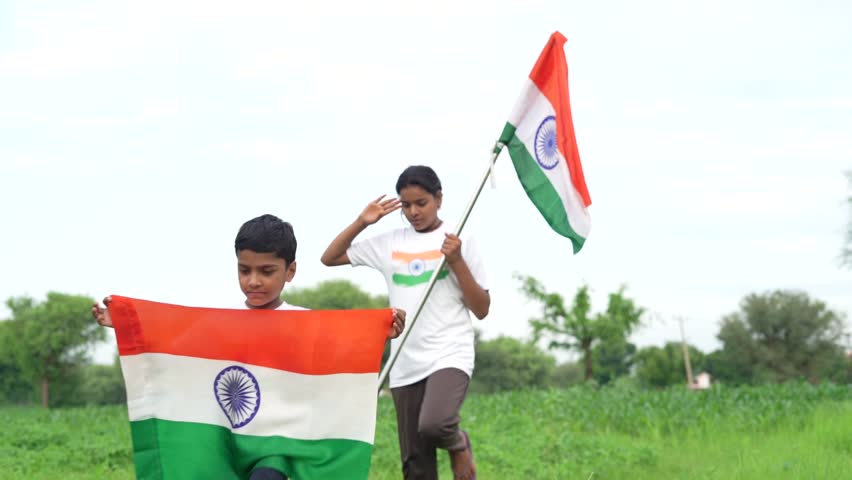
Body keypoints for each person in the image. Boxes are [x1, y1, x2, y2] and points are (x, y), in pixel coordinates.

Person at [93, 213, 405, 480]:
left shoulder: (305, 323)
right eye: (245, 270)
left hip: (278, 444)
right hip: (229, 436)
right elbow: (173, 342)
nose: (253, 280)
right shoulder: (222, 321)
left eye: (266, 271)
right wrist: (124, 324)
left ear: (290, 271)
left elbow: (343, 347)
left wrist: (378, 331)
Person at [321, 165, 488, 480]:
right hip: (404, 360)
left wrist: (457, 260)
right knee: (415, 466)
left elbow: (481, 308)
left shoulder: (459, 237)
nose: (413, 212)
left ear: (439, 199)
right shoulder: (390, 242)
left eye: (421, 203)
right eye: (406, 205)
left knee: (436, 424)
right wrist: (362, 222)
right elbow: (330, 257)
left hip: (448, 352)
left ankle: (458, 443)